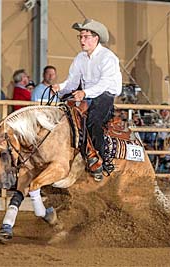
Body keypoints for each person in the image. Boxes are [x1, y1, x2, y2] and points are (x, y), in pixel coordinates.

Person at [52, 18, 122, 181]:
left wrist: (84, 93)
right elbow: (72, 81)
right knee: (64, 114)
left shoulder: (108, 57)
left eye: (85, 36)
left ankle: (102, 159)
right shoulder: (80, 58)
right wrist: (60, 87)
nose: (82, 40)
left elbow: (104, 83)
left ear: (95, 38)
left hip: (105, 94)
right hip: (86, 93)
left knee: (93, 121)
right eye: (80, 37)